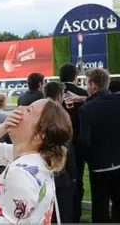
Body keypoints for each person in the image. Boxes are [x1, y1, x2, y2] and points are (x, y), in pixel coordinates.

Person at [79, 68, 120, 222]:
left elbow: (85, 141)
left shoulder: (87, 109)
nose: (86, 88)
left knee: (100, 207)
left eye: (87, 84)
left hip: (98, 166)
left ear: (94, 86)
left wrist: (88, 158)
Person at [58, 63, 88, 223]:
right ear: (76, 77)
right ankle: (75, 215)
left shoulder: (53, 92)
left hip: (56, 144)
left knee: (57, 178)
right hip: (77, 144)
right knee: (77, 179)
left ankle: (61, 214)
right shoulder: (83, 93)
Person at [43, 81, 76, 223]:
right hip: (58, 172)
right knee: (62, 213)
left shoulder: (37, 111)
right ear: (60, 96)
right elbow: (67, 148)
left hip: (42, 170)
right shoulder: (62, 116)